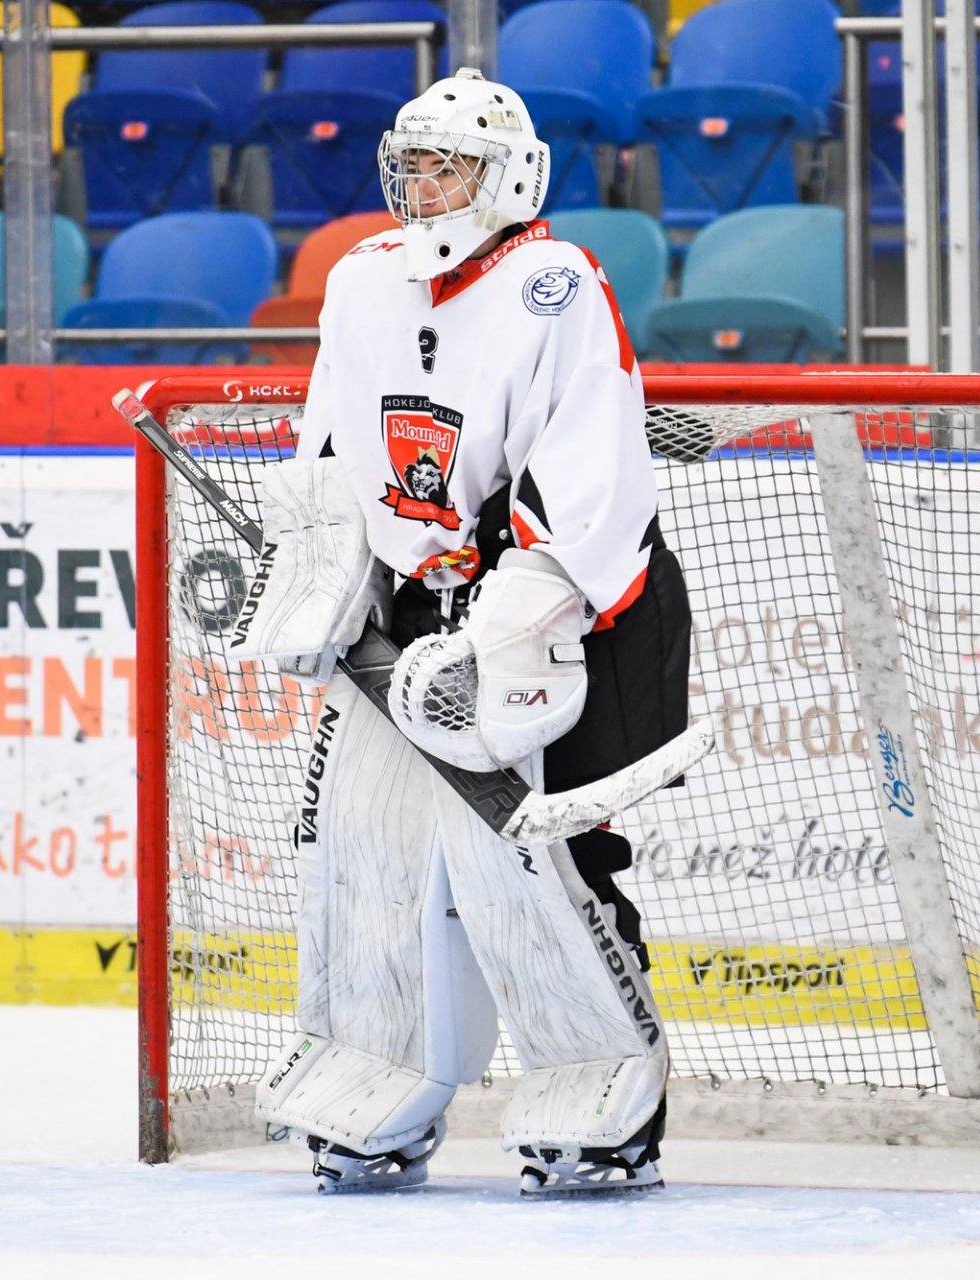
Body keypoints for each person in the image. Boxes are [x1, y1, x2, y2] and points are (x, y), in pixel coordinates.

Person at [230, 68, 691, 1197]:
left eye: (451, 164)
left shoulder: (554, 283)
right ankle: (377, 1079)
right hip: (408, 612)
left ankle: (605, 1092)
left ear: (510, 175)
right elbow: (331, 444)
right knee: (367, 853)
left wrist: (518, 610)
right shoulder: (362, 278)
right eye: (414, 163)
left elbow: (590, 468)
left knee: (545, 861)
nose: (427, 183)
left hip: (560, 608)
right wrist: (322, 573)